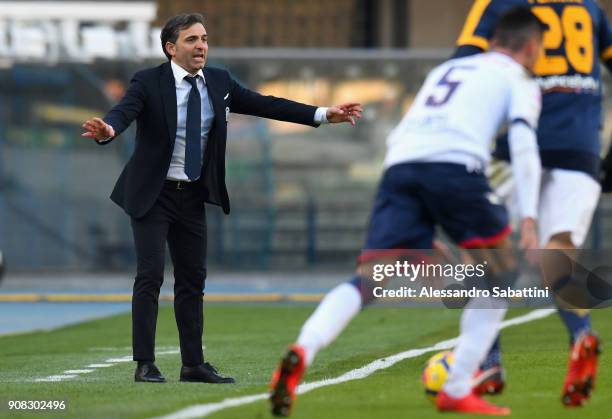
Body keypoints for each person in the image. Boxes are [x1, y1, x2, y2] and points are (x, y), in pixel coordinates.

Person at [269, 7, 543, 416]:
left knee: (369, 280)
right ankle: (456, 386)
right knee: (502, 271)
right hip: (454, 167)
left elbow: (408, 128)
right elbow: (522, 141)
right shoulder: (517, 76)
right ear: (531, 47)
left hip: (400, 166)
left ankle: (302, 350)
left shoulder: (448, 70)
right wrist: (530, 216)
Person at [81, 13, 362, 384]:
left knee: (193, 280)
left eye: (204, 39)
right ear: (171, 48)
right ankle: (145, 364)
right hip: (153, 194)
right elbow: (124, 112)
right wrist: (108, 129)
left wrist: (324, 114)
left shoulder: (219, 81)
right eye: (191, 40)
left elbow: (266, 104)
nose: (201, 46)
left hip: (192, 195)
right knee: (149, 276)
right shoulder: (148, 82)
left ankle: (193, 365)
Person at [454, 0, 610, 405]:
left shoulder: (498, 4)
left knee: (481, 250)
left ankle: (488, 363)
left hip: (512, 144)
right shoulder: (589, 8)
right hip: (580, 147)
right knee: (555, 254)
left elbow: (463, 64)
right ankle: (582, 334)